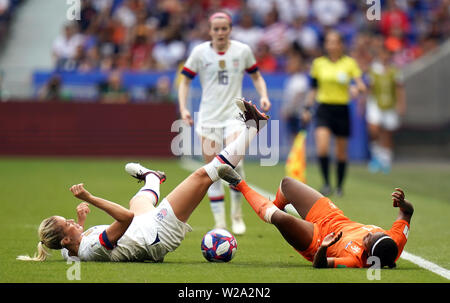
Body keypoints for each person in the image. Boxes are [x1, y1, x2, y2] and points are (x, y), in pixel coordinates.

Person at [17, 99, 268, 262]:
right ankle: (253, 126)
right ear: (65, 239)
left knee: (137, 202)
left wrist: (80, 222)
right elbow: (125, 219)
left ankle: (153, 177)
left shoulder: (69, 248)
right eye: (67, 223)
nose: (71, 219)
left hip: (144, 229)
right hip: (159, 234)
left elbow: (66, 248)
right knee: (202, 176)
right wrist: (89, 198)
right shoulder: (91, 248)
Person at [178, 11, 271, 235]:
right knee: (212, 170)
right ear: (210, 31)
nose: (220, 33)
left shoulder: (243, 51)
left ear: (230, 29)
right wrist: (183, 108)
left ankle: (236, 214)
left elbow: (256, 76)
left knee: (234, 164)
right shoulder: (200, 53)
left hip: (233, 116)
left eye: (224, 28)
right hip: (208, 118)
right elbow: (185, 82)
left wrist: (264, 95)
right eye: (216, 29)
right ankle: (219, 222)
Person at [218, 165, 413, 268]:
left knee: (281, 219)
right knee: (287, 184)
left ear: (370, 256)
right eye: (373, 232)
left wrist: (324, 247)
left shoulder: (355, 260)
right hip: (332, 216)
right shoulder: (393, 241)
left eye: (367, 240)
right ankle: (270, 209)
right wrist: (403, 204)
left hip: (317, 238)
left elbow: (320, 265)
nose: (368, 235)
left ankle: (240, 185)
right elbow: (407, 212)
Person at [304, 30, 366, 197]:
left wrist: (356, 88)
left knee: (340, 152)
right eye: (328, 42)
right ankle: (326, 183)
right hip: (324, 108)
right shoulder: (318, 64)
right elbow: (313, 89)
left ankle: (339, 186)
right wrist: (307, 109)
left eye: (334, 42)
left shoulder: (349, 63)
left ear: (340, 45)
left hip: (341, 109)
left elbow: (361, 85)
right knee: (322, 147)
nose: (331, 45)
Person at [366, 47, 406, 174]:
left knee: (387, 133)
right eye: (383, 53)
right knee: (374, 130)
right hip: (375, 103)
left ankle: (386, 160)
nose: (385, 56)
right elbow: (369, 87)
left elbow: (399, 88)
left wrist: (401, 104)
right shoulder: (373, 70)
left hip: (390, 105)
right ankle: (376, 156)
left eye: (387, 54)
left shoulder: (395, 71)